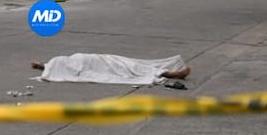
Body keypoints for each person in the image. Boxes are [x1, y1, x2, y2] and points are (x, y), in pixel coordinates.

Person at [30, 53, 191, 85]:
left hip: (101, 59)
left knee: (130, 65)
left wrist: (43, 65)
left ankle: (168, 72)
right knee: (128, 70)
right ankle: (170, 74)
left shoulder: (58, 60)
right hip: (99, 65)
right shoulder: (58, 65)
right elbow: (78, 72)